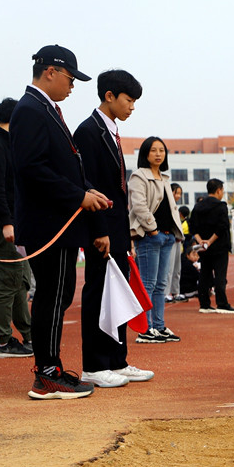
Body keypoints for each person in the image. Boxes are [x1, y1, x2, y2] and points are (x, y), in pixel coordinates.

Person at [11, 45, 111, 399]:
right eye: (71, 78)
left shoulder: (45, 109)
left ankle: (50, 367)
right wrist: (78, 196)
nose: (73, 87)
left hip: (60, 221)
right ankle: (47, 374)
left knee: (59, 294)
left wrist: (88, 191)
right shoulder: (30, 110)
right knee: (53, 296)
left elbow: (64, 165)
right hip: (47, 223)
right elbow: (32, 167)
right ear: (51, 71)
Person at [74, 69, 154, 386]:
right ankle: (94, 366)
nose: (132, 106)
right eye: (129, 100)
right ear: (109, 96)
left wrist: (124, 234)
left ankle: (117, 361)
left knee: (118, 294)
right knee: (98, 293)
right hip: (101, 230)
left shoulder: (111, 130)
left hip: (118, 230)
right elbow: (89, 185)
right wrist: (99, 230)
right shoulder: (88, 132)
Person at [0, 97, 33, 358]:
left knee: (19, 280)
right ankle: (3, 341)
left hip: (12, 221)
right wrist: (7, 222)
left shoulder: (6, 143)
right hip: (1, 222)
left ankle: (28, 334)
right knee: (5, 280)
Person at [128, 136, 184, 342]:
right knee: (148, 284)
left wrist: (174, 233)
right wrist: (153, 230)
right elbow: (139, 206)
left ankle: (159, 326)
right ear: (145, 153)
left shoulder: (164, 178)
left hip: (167, 237)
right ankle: (145, 328)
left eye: (162, 150)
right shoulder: (138, 176)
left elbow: (171, 208)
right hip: (150, 237)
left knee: (162, 285)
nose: (159, 154)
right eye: (153, 150)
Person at [189, 179, 234, 314]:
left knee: (204, 274)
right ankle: (222, 303)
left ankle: (204, 304)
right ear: (218, 190)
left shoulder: (198, 206)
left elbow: (192, 226)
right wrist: (210, 241)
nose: (222, 193)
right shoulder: (221, 206)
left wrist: (201, 242)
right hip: (219, 246)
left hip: (204, 248)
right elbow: (222, 226)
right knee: (220, 275)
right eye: (222, 190)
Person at [165, 183, 185, 303]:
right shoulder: (167, 205)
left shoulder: (175, 207)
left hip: (178, 240)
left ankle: (175, 291)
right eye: (176, 193)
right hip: (171, 239)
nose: (178, 196)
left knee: (177, 267)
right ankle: (166, 293)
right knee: (169, 268)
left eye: (179, 194)